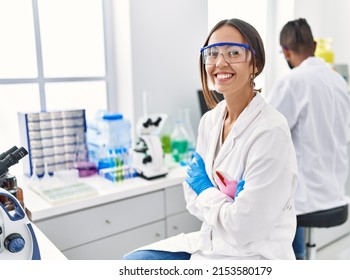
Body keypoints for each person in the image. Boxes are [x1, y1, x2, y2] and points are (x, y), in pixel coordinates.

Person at [122, 18, 298, 260]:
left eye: (233, 52)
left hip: (256, 256)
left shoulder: (270, 131)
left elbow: (244, 229)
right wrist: (228, 203)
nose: (220, 62)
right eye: (212, 53)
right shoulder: (210, 121)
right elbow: (189, 194)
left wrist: (206, 189)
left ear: (255, 64)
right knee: (132, 262)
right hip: (212, 243)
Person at [266, 18, 350, 259]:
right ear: (314, 45)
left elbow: (268, 132)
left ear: (285, 51)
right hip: (335, 192)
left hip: (306, 199)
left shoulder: (292, 81)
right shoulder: (338, 81)